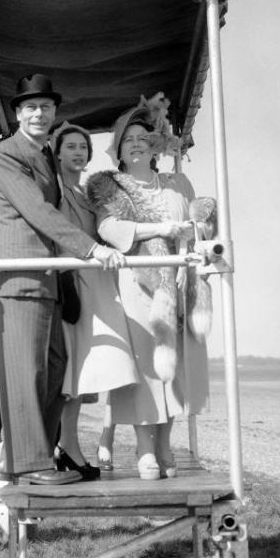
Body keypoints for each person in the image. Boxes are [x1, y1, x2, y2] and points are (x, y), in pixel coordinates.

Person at [0, 73, 125, 485]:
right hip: (19, 277)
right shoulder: (7, 154)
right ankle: (27, 464)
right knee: (26, 372)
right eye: (30, 107)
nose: (38, 113)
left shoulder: (44, 157)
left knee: (55, 368)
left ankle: (31, 454)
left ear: (55, 112)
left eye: (45, 107)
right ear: (18, 114)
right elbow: (35, 211)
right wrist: (92, 249)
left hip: (47, 279)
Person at [86, 94, 213, 480]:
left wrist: (188, 250)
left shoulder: (177, 183)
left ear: (154, 146)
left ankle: (165, 444)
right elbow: (109, 229)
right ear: (118, 151)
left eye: (143, 136)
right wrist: (156, 229)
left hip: (178, 283)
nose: (137, 143)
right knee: (145, 368)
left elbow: (197, 227)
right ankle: (144, 449)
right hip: (137, 286)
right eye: (128, 139)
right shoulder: (113, 189)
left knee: (175, 368)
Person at [51, 123, 141, 480]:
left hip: (96, 282)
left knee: (84, 374)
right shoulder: (54, 187)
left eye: (82, 147)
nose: (77, 152)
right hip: (71, 281)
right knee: (72, 373)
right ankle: (66, 448)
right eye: (70, 146)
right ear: (56, 152)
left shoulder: (86, 191)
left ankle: (68, 447)